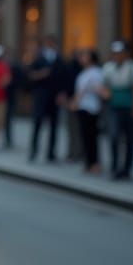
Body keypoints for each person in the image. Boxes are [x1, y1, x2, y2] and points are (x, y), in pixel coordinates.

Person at [102, 40, 133, 180]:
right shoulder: (108, 67)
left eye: (120, 53)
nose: (117, 56)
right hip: (114, 106)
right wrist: (105, 93)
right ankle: (115, 166)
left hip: (129, 105)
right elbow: (104, 85)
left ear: (126, 54)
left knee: (130, 138)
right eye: (115, 53)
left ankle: (127, 168)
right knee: (114, 136)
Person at [28, 33, 66, 161]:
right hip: (40, 96)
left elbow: (63, 79)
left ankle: (51, 153)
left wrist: (62, 93)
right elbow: (29, 75)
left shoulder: (59, 60)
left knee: (54, 125)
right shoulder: (38, 59)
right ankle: (33, 151)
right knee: (37, 124)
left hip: (54, 97)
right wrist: (40, 74)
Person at [71, 49, 106, 175]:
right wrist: (75, 102)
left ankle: (95, 163)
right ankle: (88, 162)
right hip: (82, 107)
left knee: (92, 137)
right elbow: (79, 91)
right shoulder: (83, 73)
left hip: (92, 108)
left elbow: (100, 90)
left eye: (85, 56)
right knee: (85, 137)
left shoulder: (96, 73)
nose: (82, 58)